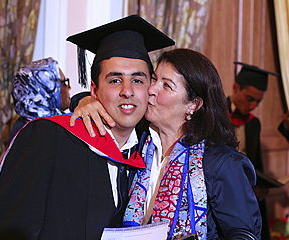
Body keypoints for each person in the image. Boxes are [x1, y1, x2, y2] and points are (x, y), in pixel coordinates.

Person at [0, 15, 174, 240]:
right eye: (114, 80)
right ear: (94, 89)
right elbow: (8, 231)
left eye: (138, 80)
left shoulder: (148, 150)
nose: (127, 91)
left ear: (149, 88)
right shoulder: (47, 138)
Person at [69, 49, 262, 239]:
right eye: (153, 79)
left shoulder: (220, 163)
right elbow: (105, 103)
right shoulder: (138, 142)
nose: (151, 90)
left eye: (167, 86)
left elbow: (244, 234)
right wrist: (84, 100)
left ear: (193, 105)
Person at [228, 62, 278, 240]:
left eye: (258, 101)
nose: (253, 105)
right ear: (235, 87)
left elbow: (256, 160)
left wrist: (262, 186)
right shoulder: (217, 114)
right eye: (249, 98)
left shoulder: (254, 123)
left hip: (247, 190)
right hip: (223, 189)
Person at [8, 57, 71, 142]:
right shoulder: (32, 132)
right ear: (47, 88)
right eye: (64, 83)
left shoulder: (53, 122)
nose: (69, 88)